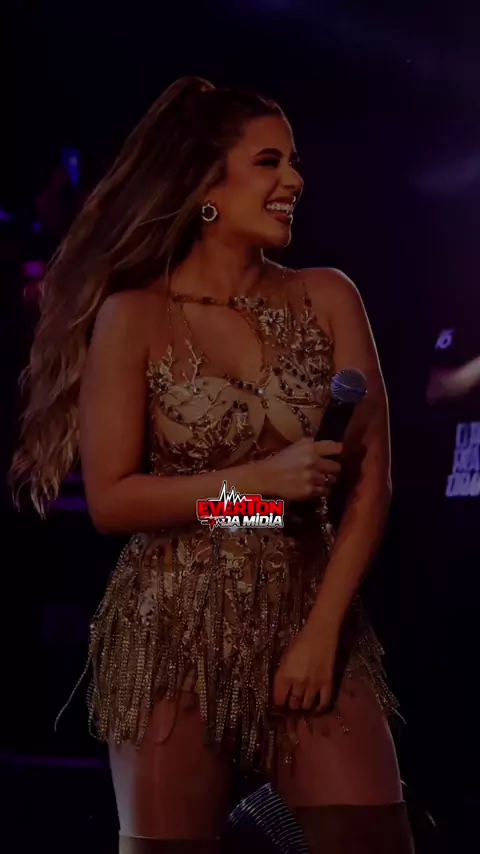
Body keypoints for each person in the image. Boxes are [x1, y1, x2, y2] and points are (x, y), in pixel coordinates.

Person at [11, 76, 413, 853]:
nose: (293, 180)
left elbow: (372, 482)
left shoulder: (330, 296)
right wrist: (252, 489)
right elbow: (113, 502)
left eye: (294, 163)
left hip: (312, 612)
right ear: (204, 185)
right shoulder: (134, 315)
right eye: (268, 162)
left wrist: (321, 632)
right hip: (170, 628)